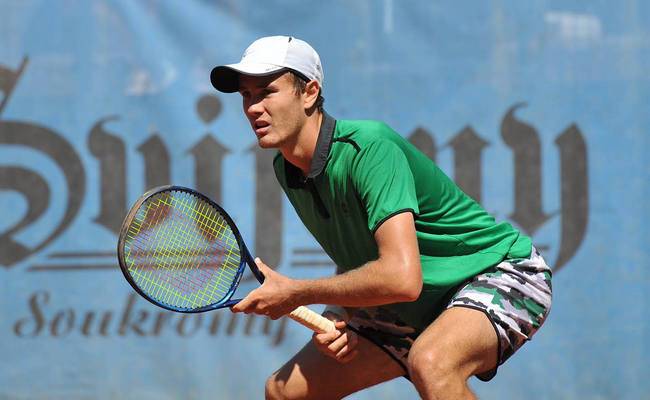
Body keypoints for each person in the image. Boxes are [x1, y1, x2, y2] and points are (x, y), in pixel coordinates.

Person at [210, 35, 552, 400]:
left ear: (309, 93)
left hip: (499, 272)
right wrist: (337, 314)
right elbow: (357, 256)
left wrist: (297, 293)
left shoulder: (370, 148)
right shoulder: (287, 167)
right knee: (284, 392)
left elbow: (401, 278)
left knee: (433, 362)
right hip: (410, 305)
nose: (253, 108)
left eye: (266, 92)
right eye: (246, 95)